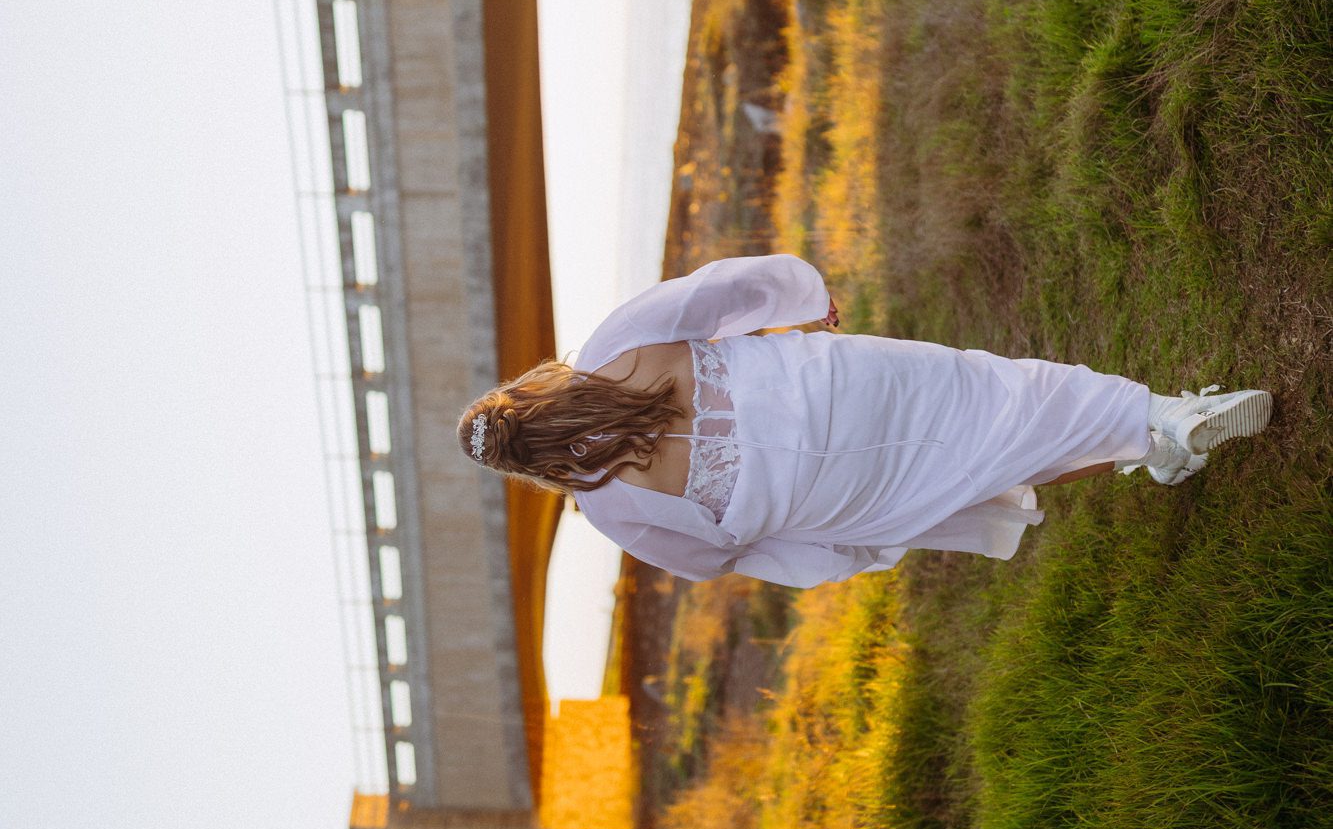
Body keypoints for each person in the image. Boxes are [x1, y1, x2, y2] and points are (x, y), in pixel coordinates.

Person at [456, 254, 1272, 589]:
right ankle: (1159, 417)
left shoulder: (609, 506)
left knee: (972, 476)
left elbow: (712, 559)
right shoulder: (609, 349)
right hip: (834, 388)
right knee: (1000, 397)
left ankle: (1156, 446)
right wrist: (803, 303)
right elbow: (717, 291)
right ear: (531, 395)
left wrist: (808, 528)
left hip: (831, 488)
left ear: (534, 464)